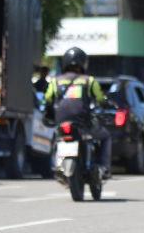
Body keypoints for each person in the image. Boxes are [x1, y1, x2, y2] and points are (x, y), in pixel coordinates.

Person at [44, 47, 112, 177]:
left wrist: (49, 113)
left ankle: (57, 163)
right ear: (84, 63)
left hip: (61, 120)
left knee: (57, 139)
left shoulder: (55, 81)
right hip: (84, 120)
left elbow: (47, 99)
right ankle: (104, 168)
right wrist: (109, 107)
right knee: (105, 137)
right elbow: (100, 99)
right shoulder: (89, 81)